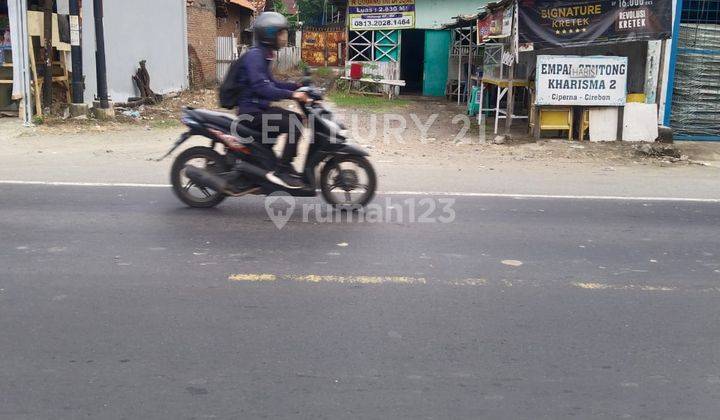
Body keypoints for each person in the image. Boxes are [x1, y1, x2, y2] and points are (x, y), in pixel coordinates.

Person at [235, 12, 310, 189]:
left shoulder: (263, 54)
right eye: (281, 33)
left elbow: (273, 83)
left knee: (296, 119)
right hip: (251, 114)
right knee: (294, 124)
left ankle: (274, 163)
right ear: (269, 34)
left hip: (259, 109)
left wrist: (296, 86)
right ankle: (281, 171)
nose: (284, 37)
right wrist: (292, 95)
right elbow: (262, 88)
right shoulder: (255, 56)